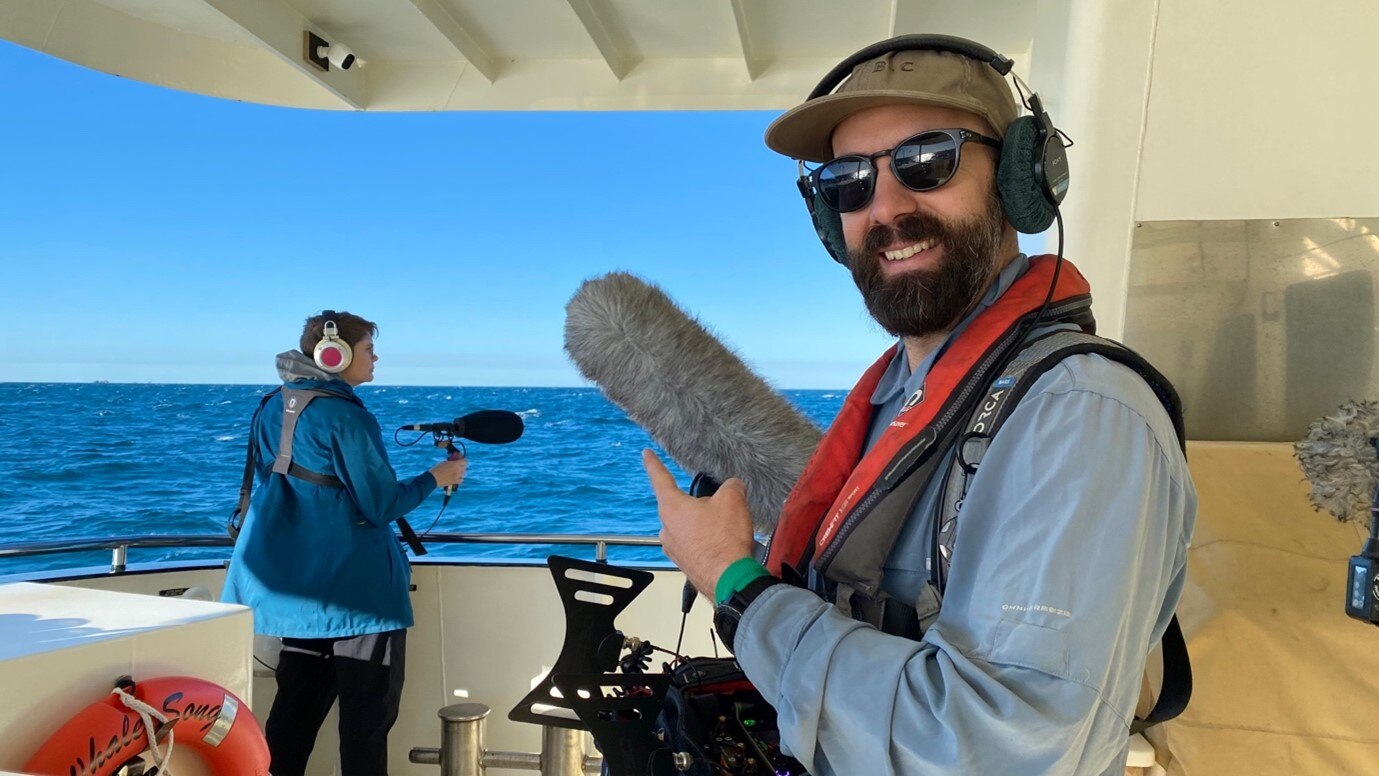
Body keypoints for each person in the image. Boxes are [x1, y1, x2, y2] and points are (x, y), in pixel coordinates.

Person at [643, 36, 1197, 775]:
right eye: (847, 182)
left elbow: (987, 749)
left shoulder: (1079, 415)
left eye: (926, 161)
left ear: (1019, 181)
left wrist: (734, 582)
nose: (886, 208)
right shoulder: (900, 399)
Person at [222, 310, 466, 776]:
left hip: (296, 597)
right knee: (365, 727)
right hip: (359, 600)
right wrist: (437, 476)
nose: (376, 357)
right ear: (335, 354)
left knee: (291, 720)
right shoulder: (348, 416)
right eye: (370, 349)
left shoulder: (272, 404)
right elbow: (381, 504)